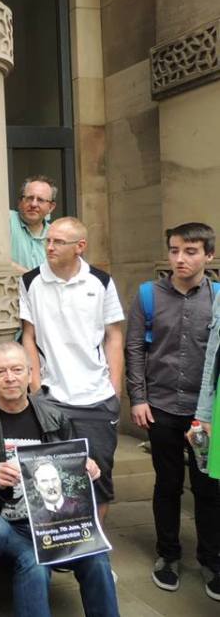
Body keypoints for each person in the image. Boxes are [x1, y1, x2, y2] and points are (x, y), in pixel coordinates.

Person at [0, 341, 118, 617]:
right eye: (1, 371)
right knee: (33, 563)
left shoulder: (55, 416)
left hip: (52, 522)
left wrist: (85, 469)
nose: (10, 378)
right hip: (6, 524)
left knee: (97, 557)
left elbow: (70, 479)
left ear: (31, 372)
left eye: (17, 369)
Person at [125, 222, 220, 597]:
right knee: (167, 485)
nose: (180, 258)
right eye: (175, 250)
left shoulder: (217, 298)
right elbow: (135, 348)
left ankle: (211, 559)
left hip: (205, 414)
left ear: (209, 255)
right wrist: (138, 397)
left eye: (191, 251)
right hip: (161, 407)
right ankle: (168, 555)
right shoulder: (149, 295)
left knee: (209, 488)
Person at [19, 216, 124, 522]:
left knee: (98, 479)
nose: (49, 246)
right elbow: (29, 335)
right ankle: (62, 545)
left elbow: (113, 336)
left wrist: (114, 391)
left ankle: (95, 553)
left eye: (58, 242)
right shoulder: (30, 281)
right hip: (52, 397)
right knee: (52, 477)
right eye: (47, 240)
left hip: (97, 398)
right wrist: (36, 388)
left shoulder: (101, 281)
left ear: (80, 247)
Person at [9, 175, 57, 274]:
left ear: (51, 207)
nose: (34, 204)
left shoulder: (56, 234)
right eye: (29, 198)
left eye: (40, 200)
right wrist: (33, 278)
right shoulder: (5, 221)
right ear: (20, 202)